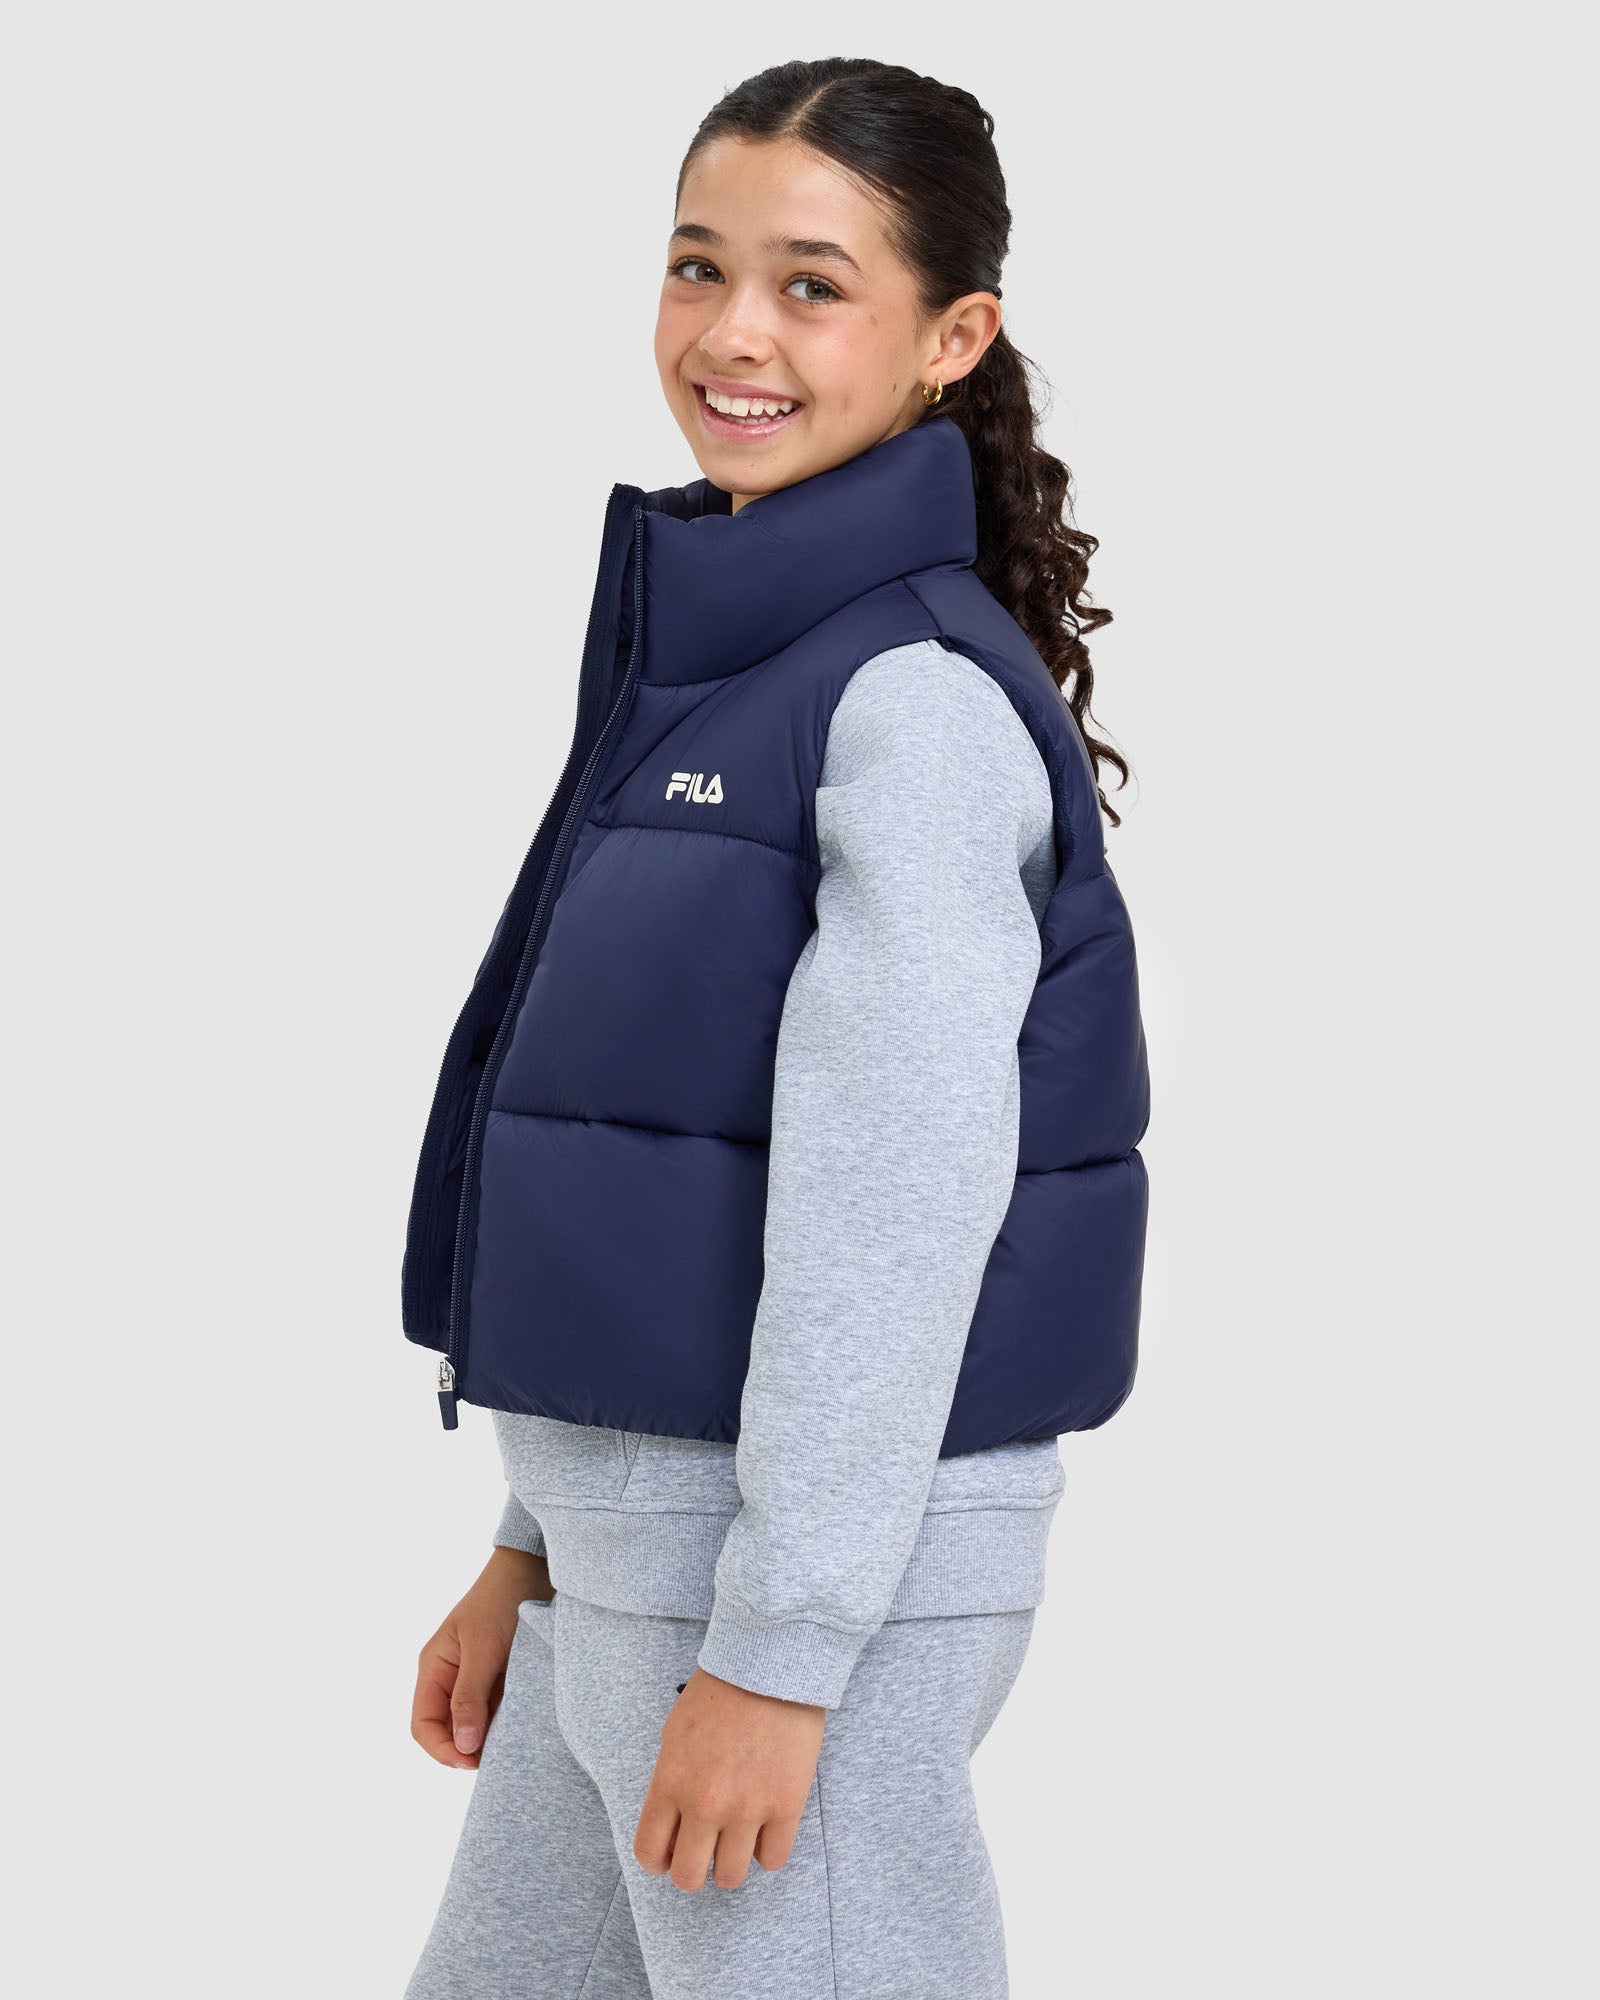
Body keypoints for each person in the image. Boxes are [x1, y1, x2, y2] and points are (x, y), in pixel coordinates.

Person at [398, 56, 1150, 2000]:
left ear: (949, 337)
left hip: (786, 1591)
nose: (733, 332)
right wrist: (533, 1542)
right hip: (641, 1555)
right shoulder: (722, 672)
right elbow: (661, 1175)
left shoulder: (903, 709)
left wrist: (785, 1651)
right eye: (697, 264)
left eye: (813, 284)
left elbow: (888, 1212)